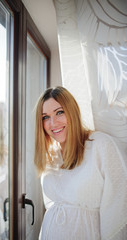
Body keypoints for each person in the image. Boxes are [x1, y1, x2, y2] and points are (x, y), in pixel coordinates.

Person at [34, 86, 127, 240]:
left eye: (59, 112)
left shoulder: (100, 145)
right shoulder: (51, 156)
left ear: (72, 112)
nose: (53, 123)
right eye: (45, 117)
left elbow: (119, 206)